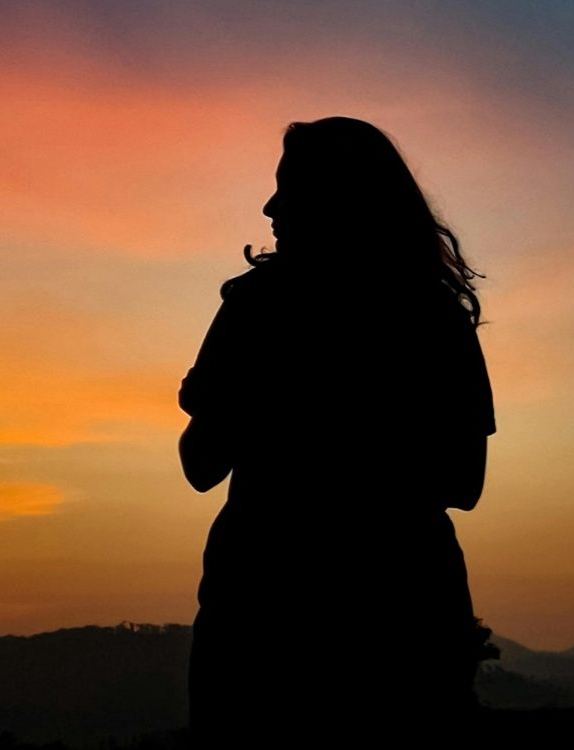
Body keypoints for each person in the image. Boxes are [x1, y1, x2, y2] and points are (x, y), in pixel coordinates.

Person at [178, 117, 498, 740]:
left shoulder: (256, 312)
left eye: (288, 188)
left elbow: (199, 462)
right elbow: (462, 481)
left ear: (339, 201)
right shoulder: (432, 319)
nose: (270, 206)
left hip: (279, 614)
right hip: (385, 608)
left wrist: (250, 404)